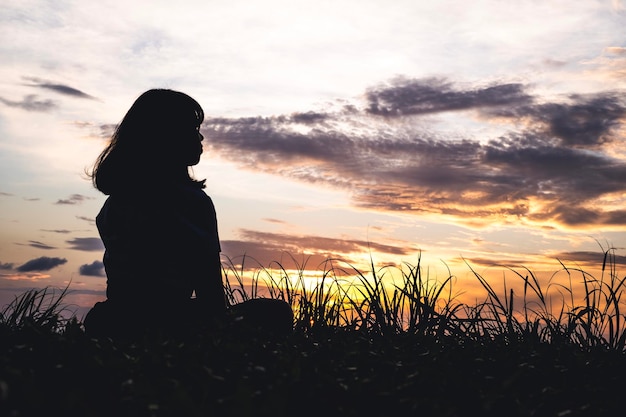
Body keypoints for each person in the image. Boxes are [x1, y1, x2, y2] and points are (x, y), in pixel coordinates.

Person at [84, 89, 292, 338]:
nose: (201, 137)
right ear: (167, 137)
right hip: (169, 324)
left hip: (115, 319)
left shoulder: (114, 204)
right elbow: (211, 294)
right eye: (192, 129)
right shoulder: (193, 202)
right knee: (276, 312)